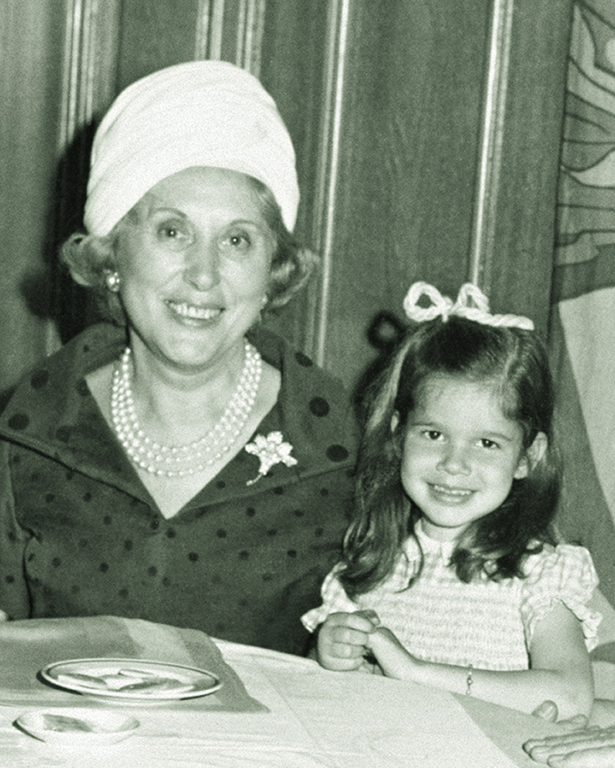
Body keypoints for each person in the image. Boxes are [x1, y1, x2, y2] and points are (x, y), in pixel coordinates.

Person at [0, 60, 357, 656]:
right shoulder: (29, 431)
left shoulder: (344, 443)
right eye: (173, 231)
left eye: (237, 240)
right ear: (112, 253)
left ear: (272, 272)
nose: (203, 274)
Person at [302, 281, 601, 718]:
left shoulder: (541, 574)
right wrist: (327, 654)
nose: (453, 464)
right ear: (398, 434)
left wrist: (417, 672)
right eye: (434, 434)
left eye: (486, 443)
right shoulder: (370, 562)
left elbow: (572, 695)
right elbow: (318, 693)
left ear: (526, 457)